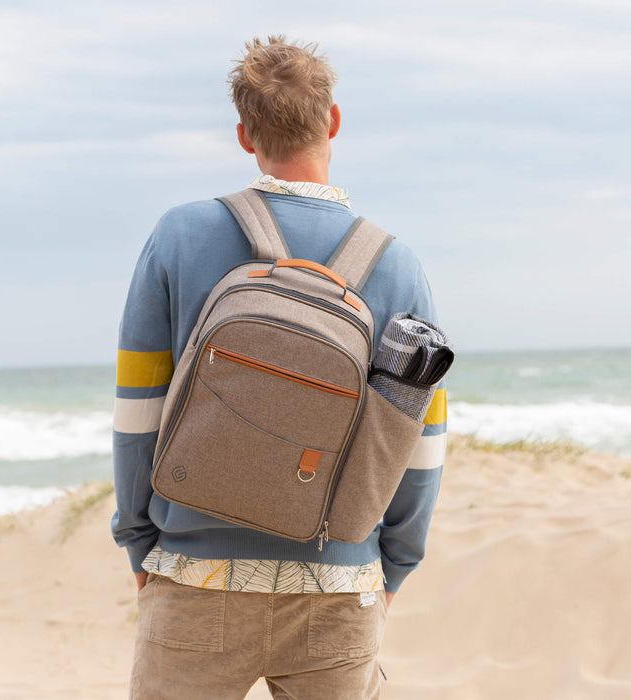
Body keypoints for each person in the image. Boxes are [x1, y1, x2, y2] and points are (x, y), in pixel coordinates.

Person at [112, 35, 446, 700]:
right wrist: (392, 567)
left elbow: (138, 411)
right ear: (334, 120)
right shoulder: (399, 265)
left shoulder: (179, 237)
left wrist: (140, 543)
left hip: (194, 578)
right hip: (338, 586)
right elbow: (416, 446)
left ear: (244, 134)